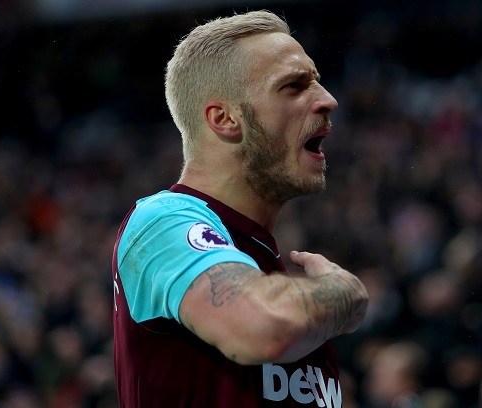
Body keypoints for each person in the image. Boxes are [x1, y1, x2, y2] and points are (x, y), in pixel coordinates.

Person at [111, 10, 369, 407]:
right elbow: (264, 329)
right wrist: (342, 295)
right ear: (225, 119)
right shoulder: (162, 221)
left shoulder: (267, 268)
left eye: (316, 82)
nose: (328, 100)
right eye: (294, 86)